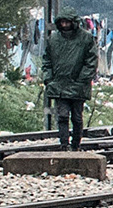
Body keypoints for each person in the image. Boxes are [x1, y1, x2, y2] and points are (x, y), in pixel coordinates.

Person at [41, 11, 97, 150]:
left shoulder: (86, 38)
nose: (64, 25)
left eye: (67, 22)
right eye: (62, 22)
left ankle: (76, 144)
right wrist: (49, 79)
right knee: (62, 116)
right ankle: (64, 144)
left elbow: (91, 62)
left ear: (74, 22)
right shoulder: (53, 39)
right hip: (59, 84)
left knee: (77, 118)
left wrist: (81, 79)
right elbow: (47, 61)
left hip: (78, 85)